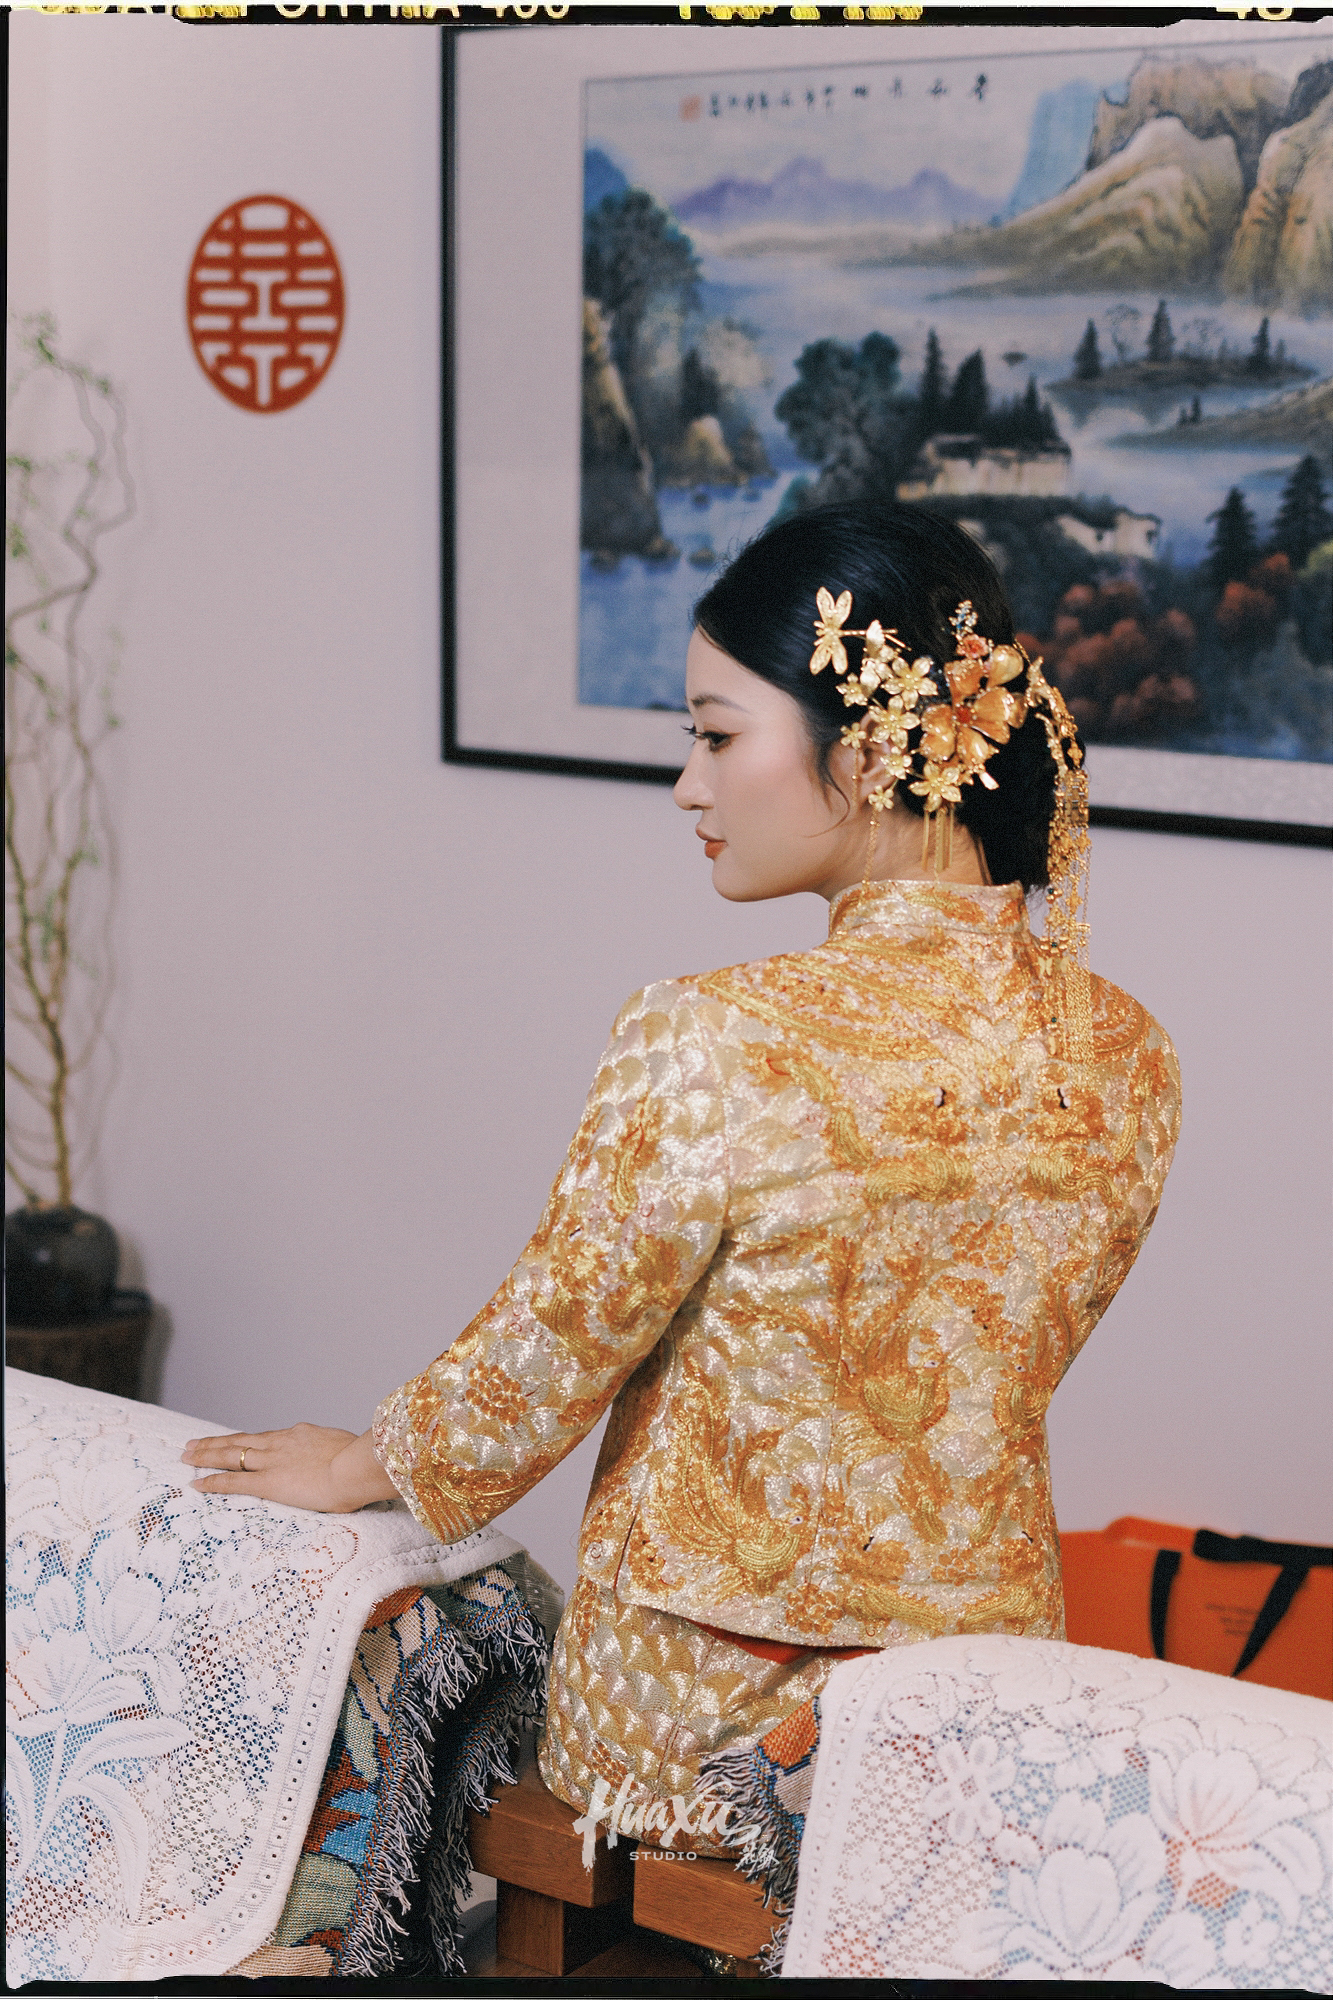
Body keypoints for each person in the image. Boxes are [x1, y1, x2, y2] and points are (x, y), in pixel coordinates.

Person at [182, 504, 1180, 1850]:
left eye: (716, 735)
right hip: (976, 1705)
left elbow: (561, 1334)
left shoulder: (715, 1033)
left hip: (697, 1718)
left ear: (869, 750)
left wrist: (369, 1461)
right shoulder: (1125, 1050)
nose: (688, 787)